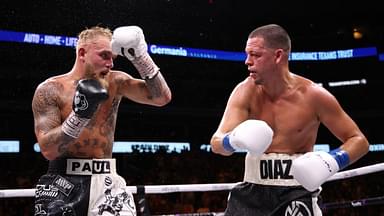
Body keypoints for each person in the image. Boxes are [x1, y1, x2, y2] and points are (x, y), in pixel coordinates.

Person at [210, 24, 369, 215]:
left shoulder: (313, 95)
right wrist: (232, 139)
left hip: (296, 193)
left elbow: (359, 141)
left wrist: (332, 160)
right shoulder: (244, 91)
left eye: (256, 55)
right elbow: (216, 143)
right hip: (251, 193)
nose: (247, 61)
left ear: (278, 56)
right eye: (247, 54)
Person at [32, 25, 171, 215]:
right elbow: (47, 149)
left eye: (112, 58)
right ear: (82, 53)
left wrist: (141, 58)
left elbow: (161, 98)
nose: (110, 64)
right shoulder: (50, 90)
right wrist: (80, 116)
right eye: (104, 56)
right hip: (62, 183)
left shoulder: (116, 82)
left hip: (107, 182)